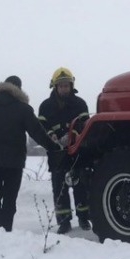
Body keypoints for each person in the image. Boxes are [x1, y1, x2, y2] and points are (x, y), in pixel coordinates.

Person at [0, 75, 61, 231]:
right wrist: (54, 148)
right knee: (9, 200)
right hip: (14, 163)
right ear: (18, 89)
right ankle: (6, 231)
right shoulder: (23, 108)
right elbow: (37, 132)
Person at [38, 67, 90, 233]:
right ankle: (64, 221)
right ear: (55, 86)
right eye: (61, 86)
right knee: (59, 187)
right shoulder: (45, 106)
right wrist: (51, 135)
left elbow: (85, 124)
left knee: (81, 185)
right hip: (57, 152)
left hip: (78, 151)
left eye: (66, 85)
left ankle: (84, 218)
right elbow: (41, 125)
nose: (64, 89)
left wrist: (73, 135)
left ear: (71, 85)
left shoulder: (80, 103)